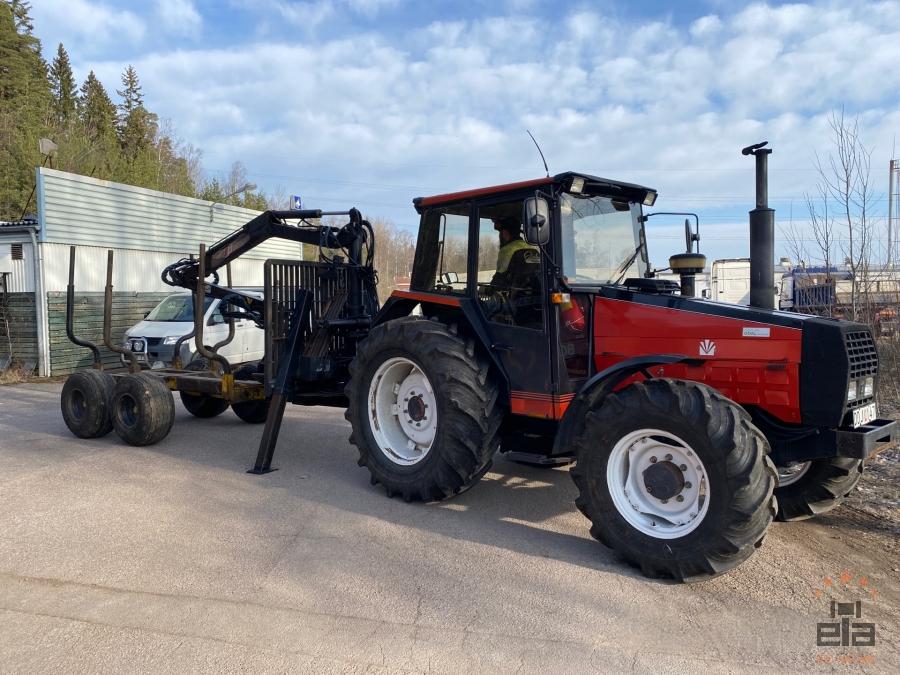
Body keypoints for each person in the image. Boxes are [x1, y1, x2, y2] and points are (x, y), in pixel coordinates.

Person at [491, 216, 535, 290]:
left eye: (501, 232)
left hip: (515, 297)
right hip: (531, 291)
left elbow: (500, 276)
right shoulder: (531, 248)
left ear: (505, 232)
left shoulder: (507, 250)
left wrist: (488, 289)